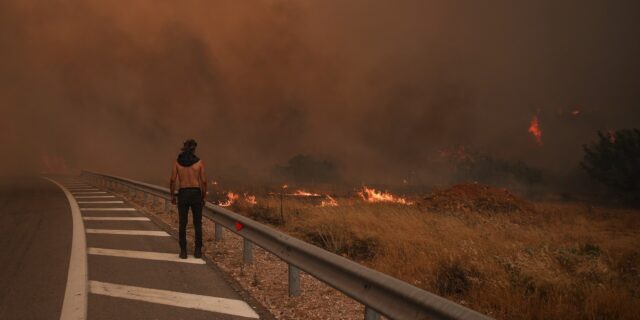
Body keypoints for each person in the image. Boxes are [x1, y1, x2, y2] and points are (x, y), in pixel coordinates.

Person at [170, 139, 207, 259]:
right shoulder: (199, 163)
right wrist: (203, 196)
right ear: (194, 149)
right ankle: (197, 251)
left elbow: (172, 180)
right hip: (196, 193)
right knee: (197, 224)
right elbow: (204, 181)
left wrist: (172, 195)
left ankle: (183, 252)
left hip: (183, 193)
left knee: (182, 224)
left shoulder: (177, 162)